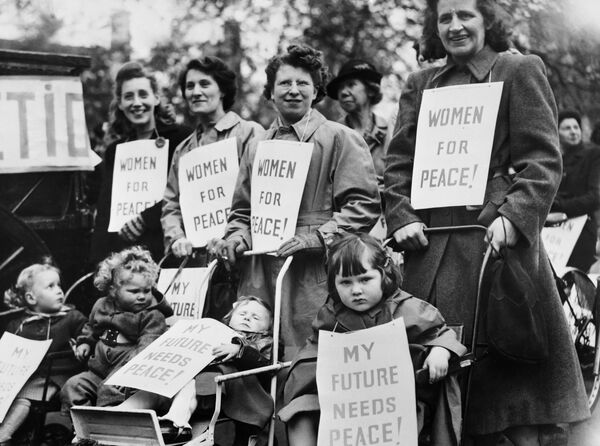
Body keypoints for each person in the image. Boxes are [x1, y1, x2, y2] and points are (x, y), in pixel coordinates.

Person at [383, 0, 589, 444]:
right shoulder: (420, 84)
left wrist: (514, 217)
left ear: (487, 21)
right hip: (431, 245)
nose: (455, 26)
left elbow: (542, 161)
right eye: (445, 18)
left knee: (510, 395)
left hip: (498, 245)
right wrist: (400, 215)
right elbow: (397, 165)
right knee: (434, 388)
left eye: (466, 16)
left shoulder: (518, 70)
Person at [210, 44, 381, 358]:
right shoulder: (256, 145)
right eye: (284, 83)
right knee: (252, 356)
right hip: (260, 269)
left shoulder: (339, 138)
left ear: (316, 91)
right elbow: (242, 210)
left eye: (302, 83)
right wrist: (236, 238)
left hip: (313, 271)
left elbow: (364, 204)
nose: (293, 90)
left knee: (308, 354)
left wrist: (316, 237)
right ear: (271, 92)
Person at [279, 233, 466, 446]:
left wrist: (440, 351)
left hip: (397, 404)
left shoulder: (408, 308)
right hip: (344, 406)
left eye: (365, 279)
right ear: (334, 285)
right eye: (345, 282)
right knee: (299, 410)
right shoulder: (331, 317)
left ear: (384, 275)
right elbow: (310, 358)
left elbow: (441, 334)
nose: (356, 290)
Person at [118, 295, 275, 446]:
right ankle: (123, 412)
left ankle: (176, 423)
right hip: (189, 384)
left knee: (190, 384)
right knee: (154, 390)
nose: (247, 318)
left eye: (256, 317)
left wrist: (240, 350)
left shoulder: (263, 342)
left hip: (220, 392)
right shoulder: (215, 332)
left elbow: (265, 365)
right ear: (230, 317)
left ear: (268, 328)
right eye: (242, 313)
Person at [89, 62, 192, 264]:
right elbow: (105, 211)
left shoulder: (181, 138)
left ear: (156, 98)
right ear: (120, 103)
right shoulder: (115, 151)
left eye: (143, 94)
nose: (137, 103)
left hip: (167, 251)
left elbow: (186, 193)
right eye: (129, 96)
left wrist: (147, 218)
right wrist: (97, 264)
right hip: (125, 256)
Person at [161, 57, 264, 258]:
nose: (196, 92)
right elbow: (171, 205)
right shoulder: (183, 150)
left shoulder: (249, 133)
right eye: (190, 86)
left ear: (222, 90)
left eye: (205, 84)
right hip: (197, 259)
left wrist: (237, 238)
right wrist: (177, 238)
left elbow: (261, 197)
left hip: (242, 254)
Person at [61, 246, 173, 412]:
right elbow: (92, 327)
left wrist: (131, 371)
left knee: (109, 392)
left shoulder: (152, 316)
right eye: (134, 291)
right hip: (98, 371)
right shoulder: (102, 306)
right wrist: (84, 342)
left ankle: (110, 427)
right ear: (113, 291)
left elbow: (148, 346)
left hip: (126, 373)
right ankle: (84, 428)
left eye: (147, 290)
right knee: (73, 386)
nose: (142, 296)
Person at [1, 263, 87, 446]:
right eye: (51, 286)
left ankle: (4, 434)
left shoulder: (72, 317)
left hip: (55, 375)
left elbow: (89, 333)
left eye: (59, 285)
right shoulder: (19, 324)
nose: (59, 291)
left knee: (24, 396)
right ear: (31, 298)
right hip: (23, 375)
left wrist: (84, 344)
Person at [326, 60, 388, 194]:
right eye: (340, 88)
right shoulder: (331, 136)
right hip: (344, 212)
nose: (343, 92)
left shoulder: (391, 132)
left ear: (370, 90)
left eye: (351, 85)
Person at [550, 110, 600, 272]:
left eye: (576, 127)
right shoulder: (554, 160)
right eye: (567, 128)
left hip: (581, 233)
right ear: (556, 132)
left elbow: (595, 196)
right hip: (554, 236)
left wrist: (559, 204)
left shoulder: (593, 155)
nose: (573, 131)